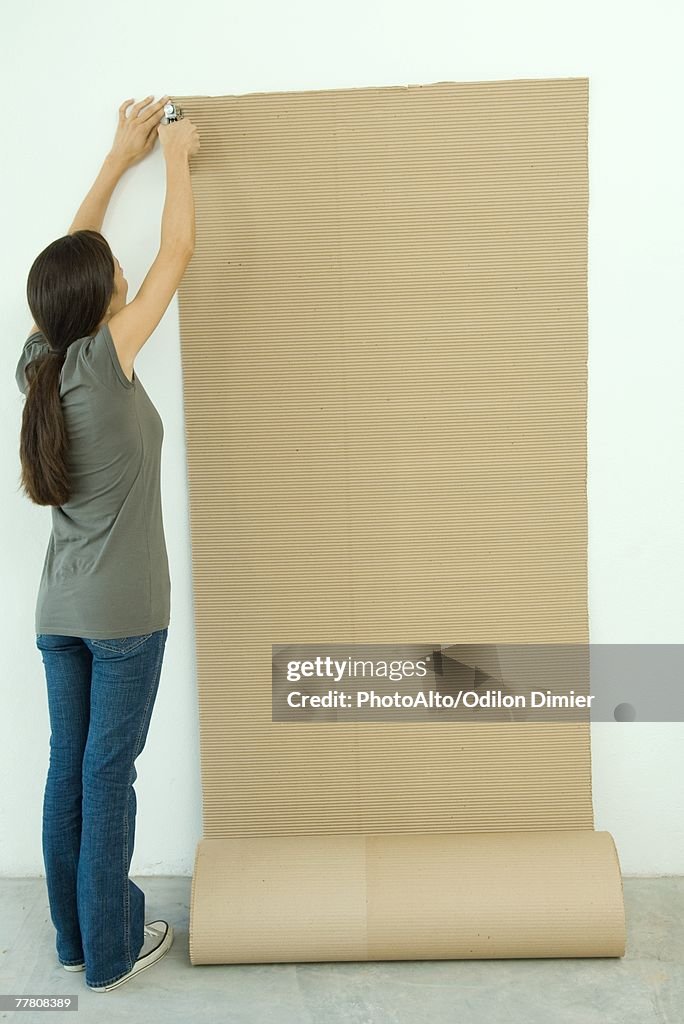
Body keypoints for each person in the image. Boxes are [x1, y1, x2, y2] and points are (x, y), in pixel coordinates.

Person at [14, 95, 200, 992]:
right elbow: (177, 257)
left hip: (59, 611)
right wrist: (175, 156)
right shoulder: (103, 355)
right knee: (106, 779)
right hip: (126, 617)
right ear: (104, 301)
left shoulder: (42, 364)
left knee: (69, 775)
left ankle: (74, 941)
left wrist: (111, 162)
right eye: (111, 274)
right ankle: (114, 953)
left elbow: (67, 270)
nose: (123, 273)